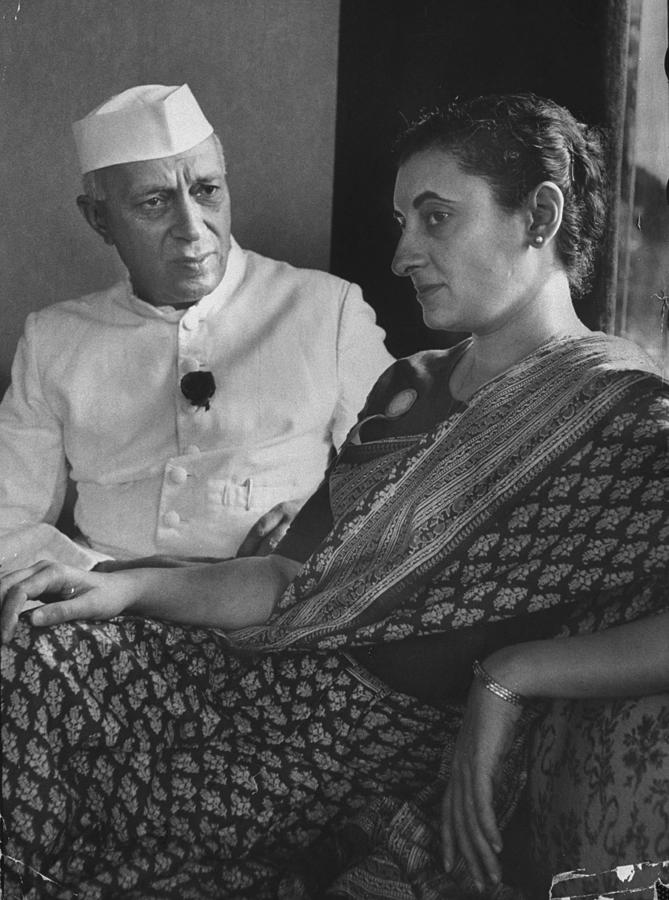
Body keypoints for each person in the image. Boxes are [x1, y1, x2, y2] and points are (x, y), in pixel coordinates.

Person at [1, 93, 668, 900]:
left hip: (367, 748)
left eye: (435, 219)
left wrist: (511, 676)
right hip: (267, 681)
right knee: (34, 650)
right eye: (402, 223)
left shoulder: (617, 408)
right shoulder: (407, 384)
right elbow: (286, 580)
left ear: (539, 216)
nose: (401, 255)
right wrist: (123, 588)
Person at [0, 84, 392, 570]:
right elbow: (6, 521)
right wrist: (100, 578)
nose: (191, 226)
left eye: (206, 191)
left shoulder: (326, 309)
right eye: (154, 203)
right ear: (99, 219)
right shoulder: (53, 340)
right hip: (106, 604)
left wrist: (324, 524)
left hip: (269, 600)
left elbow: (404, 476)